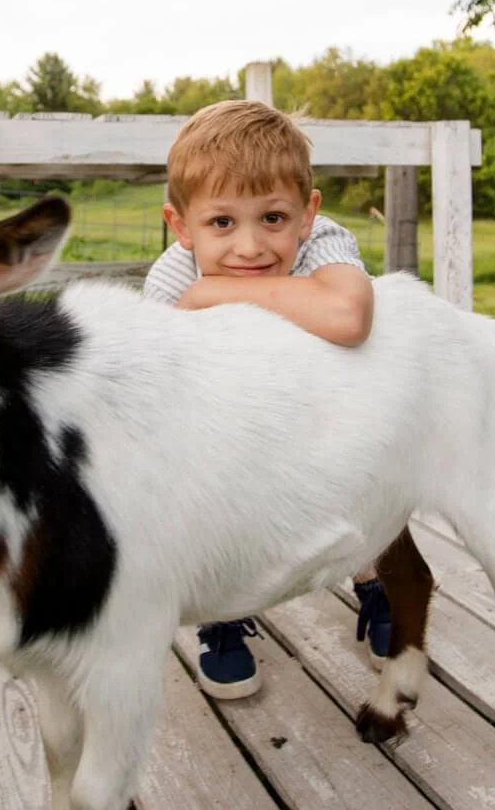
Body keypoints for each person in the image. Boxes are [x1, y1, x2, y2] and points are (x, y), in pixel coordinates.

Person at [141, 99, 392, 699]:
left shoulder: (324, 242)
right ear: (180, 227)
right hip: (226, 426)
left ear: (307, 214)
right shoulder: (171, 280)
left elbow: (349, 315)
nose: (250, 247)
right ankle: (222, 616)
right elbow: (165, 393)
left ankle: (375, 577)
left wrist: (213, 296)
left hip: (323, 407)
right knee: (202, 494)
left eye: (273, 218)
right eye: (222, 223)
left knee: (368, 472)